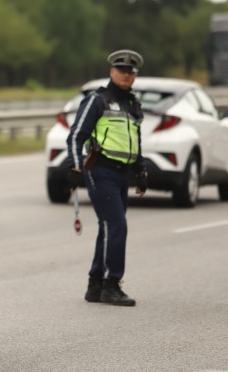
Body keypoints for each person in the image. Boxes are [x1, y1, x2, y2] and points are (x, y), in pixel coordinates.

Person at [65, 49, 148, 307]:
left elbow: (134, 140)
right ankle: (112, 285)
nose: (126, 74)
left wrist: (140, 169)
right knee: (116, 225)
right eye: (122, 70)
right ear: (112, 72)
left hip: (123, 173)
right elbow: (76, 135)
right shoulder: (97, 100)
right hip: (100, 170)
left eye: (131, 71)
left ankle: (95, 285)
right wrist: (75, 167)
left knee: (108, 227)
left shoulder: (133, 103)